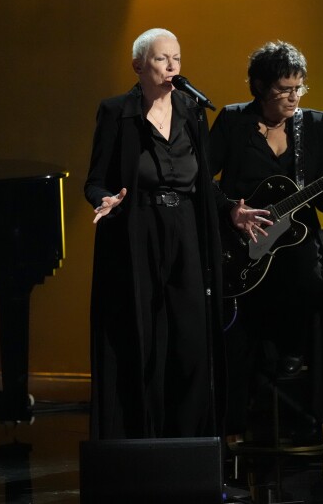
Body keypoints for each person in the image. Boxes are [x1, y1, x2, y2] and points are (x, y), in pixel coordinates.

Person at [84, 28, 270, 440]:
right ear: (138, 67)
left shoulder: (190, 111)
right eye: (161, 59)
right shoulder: (117, 112)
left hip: (186, 231)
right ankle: (141, 443)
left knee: (191, 341)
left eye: (177, 59)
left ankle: (189, 441)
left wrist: (230, 210)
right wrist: (107, 199)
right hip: (140, 231)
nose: (171, 67)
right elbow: (93, 180)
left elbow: (204, 182)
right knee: (144, 341)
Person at [210, 40, 323, 444]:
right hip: (245, 248)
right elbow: (201, 179)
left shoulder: (315, 125)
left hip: (296, 245)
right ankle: (234, 425)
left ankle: (316, 399)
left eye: (299, 89)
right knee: (239, 320)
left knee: (320, 286)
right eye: (283, 90)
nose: (293, 98)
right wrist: (231, 211)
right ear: (258, 86)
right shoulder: (233, 121)